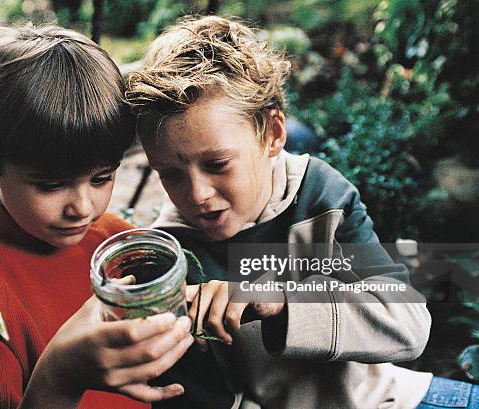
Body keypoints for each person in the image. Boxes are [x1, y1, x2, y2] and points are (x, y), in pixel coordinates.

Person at [126, 15, 477, 409]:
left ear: (273, 133)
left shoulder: (322, 194)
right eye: (170, 174)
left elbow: (407, 326)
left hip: (377, 397)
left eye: (217, 164)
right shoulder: (170, 255)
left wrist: (282, 299)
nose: (198, 195)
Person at [0, 24, 194, 409]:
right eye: (51, 185)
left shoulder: (115, 240)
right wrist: (57, 376)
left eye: (102, 178)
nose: (83, 208)